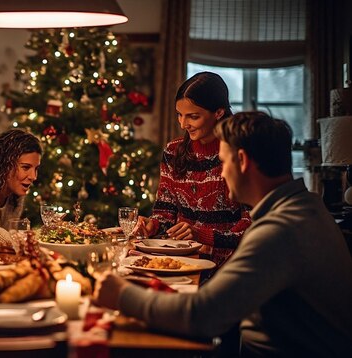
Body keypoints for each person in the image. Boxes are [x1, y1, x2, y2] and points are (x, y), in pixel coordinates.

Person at [94, 112, 352, 356]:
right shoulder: (306, 205)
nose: (221, 173)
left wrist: (120, 293)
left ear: (242, 161)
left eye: (222, 162)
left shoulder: (281, 230)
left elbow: (202, 316)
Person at [134, 71, 251, 270]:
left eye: (193, 116)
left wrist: (202, 235)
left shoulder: (237, 154)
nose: (183, 124)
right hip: (181, 260)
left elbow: (251, 224)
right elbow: (165, 212)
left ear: (219, 112)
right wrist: (153, 225)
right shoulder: (173, 151)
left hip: (229, 266)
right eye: (179, 115)